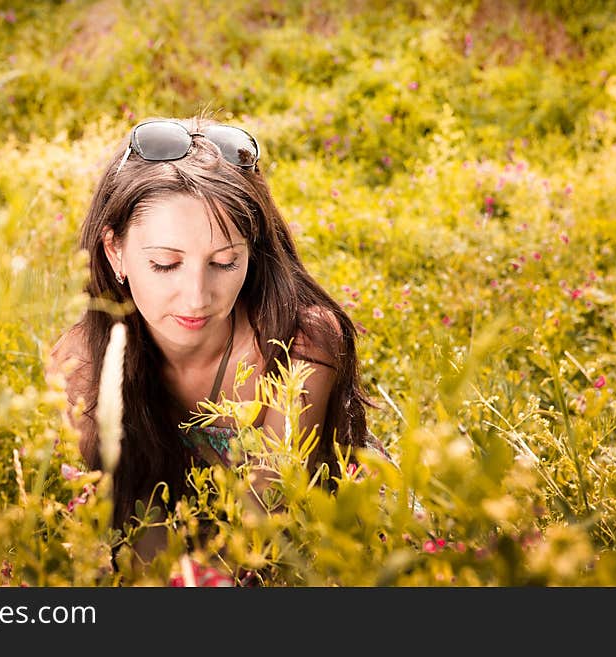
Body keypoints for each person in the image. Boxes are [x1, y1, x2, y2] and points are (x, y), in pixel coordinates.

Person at [47, 116, 384, 564]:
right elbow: (106, 529)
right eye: (166, 264)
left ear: (253, 253)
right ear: (115, 253)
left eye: (224, 262)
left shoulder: (298, 345)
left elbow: (268, 527)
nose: (197, 297)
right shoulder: (82, 365)